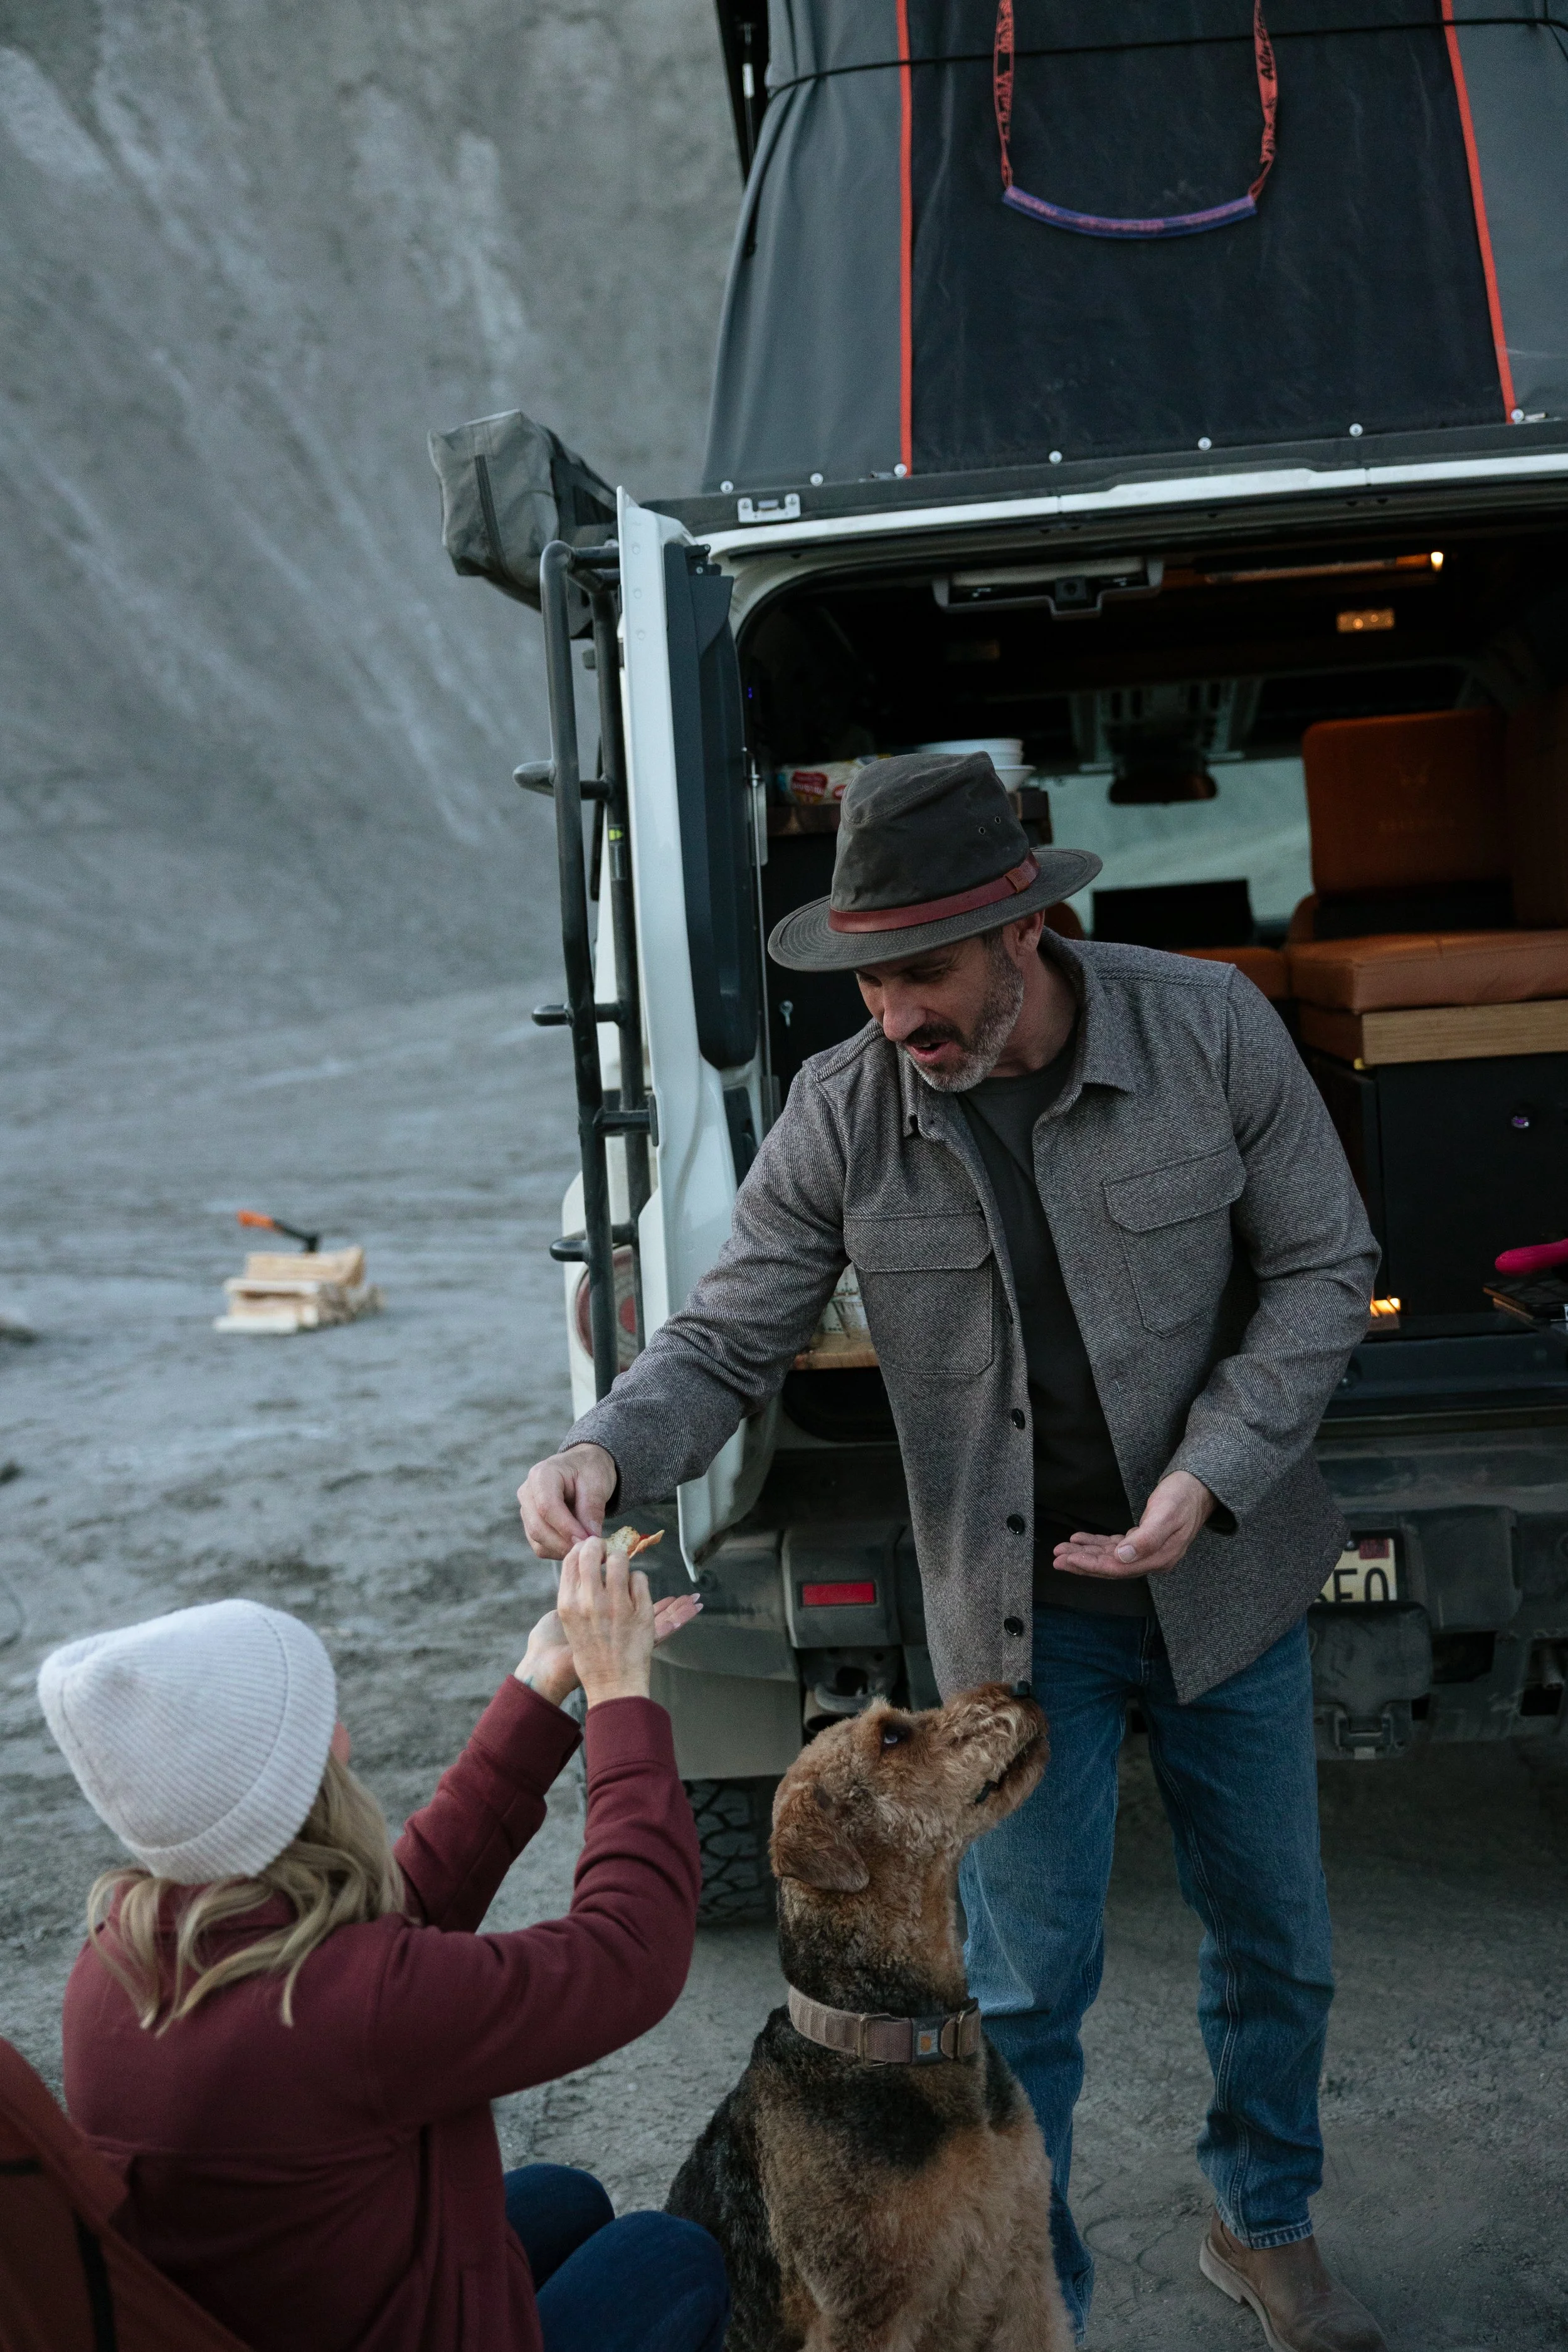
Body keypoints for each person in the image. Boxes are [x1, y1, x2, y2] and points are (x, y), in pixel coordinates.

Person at [519, 752, 1389, 2352]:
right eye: (868, 979)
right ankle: (1030, 2290)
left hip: (1227, 1578)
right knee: (1026, 1986)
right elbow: (727, 1334)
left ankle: (1262, 2217)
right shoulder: (842, 1109)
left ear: (1020, 933)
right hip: (1015, 1624)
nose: (893, 1013)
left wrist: (1209, 1474)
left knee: (1279, 1942)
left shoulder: (1208, 1025)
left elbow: (1327, 1267)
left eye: (921, 971)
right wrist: (606, 1445)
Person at [37, 1547, 728, 2352]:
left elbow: (376, 1939)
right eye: (314, 1725)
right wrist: (619, 1698)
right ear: (292, 1784)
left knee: (562, 2199)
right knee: (672, 2257)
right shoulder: (350, 2010)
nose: (342, 1737)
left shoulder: (114, 1962)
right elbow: (628, 1956)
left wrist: (541, 1683)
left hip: (283, 2313)